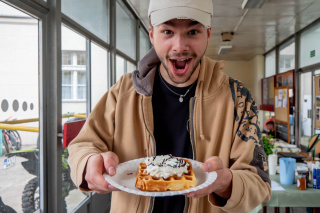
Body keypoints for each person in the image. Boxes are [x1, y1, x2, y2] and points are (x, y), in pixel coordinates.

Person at [68, 0, 271, 212]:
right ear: (152, 35)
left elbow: (259, 183)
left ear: (208, 34)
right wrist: (89, 162)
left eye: (193, 32)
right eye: (167, 31)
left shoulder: (238, 98)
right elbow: (81, 147)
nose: (180, 46)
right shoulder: (123, 93)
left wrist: (227, 183)